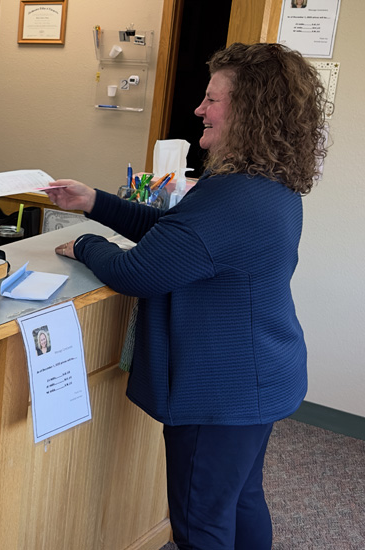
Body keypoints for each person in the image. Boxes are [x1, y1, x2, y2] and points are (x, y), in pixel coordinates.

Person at [44, 43, 325, 549]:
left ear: (251, 111)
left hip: (220, 393)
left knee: (202, 524)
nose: (199, 109)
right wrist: (95, 203)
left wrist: (86, 243)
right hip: (261, 376)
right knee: (241, 500)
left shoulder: (233, 197)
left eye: (212, 99)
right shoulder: (264, 184)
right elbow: (178, 234)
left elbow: (139, 271)